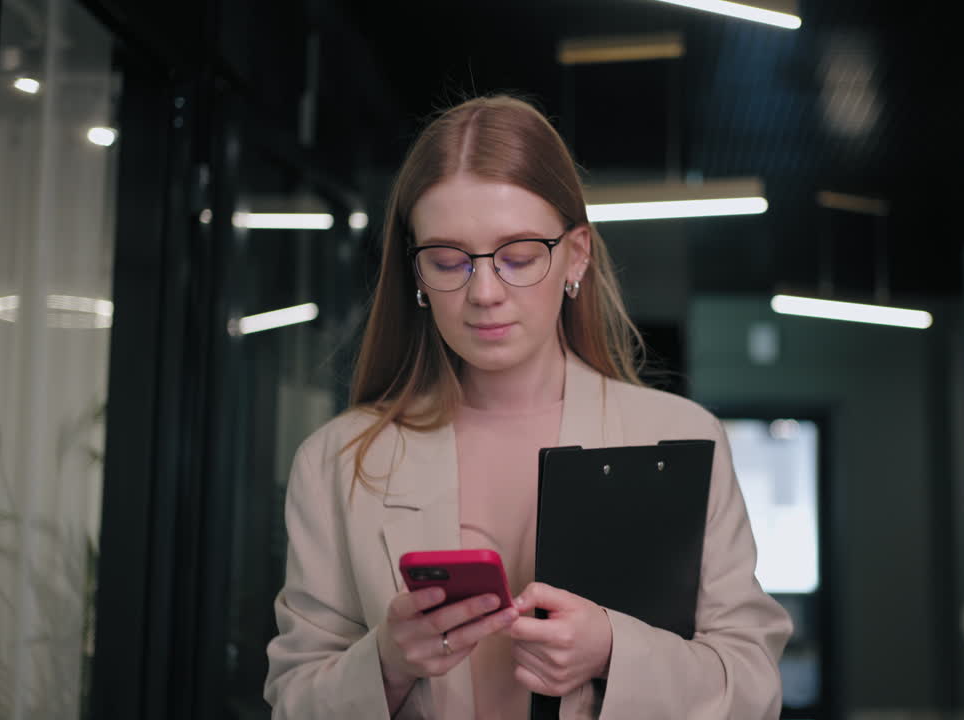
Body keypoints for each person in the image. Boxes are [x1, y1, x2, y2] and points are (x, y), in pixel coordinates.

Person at [263, 95, 792, 719]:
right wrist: (386, 662)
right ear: (414, 274)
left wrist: (614, 652)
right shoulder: (337, 462)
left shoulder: (680, 439)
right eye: (447, 261)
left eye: (517, 257)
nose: (484, 292)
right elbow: (292, 702)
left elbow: (752, 689)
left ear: (576, 256)